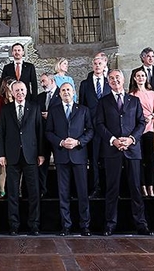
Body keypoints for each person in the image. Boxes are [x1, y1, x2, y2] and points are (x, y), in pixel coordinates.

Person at [94, 69, 151, 236]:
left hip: (132, 150)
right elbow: (99, 124)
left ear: (124, 79)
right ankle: (110, 224)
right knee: (112, 189)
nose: (115, 81)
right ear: (108, 82)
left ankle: (141, 223)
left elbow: (141, 123)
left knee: (136, 188)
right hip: (112, 150)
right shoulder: (103, 101)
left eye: (117, 77)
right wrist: (113, 140)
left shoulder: (134, 100)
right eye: (111, 78)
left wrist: (131, 139)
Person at [45, 82, 94, 236]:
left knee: (82, 192)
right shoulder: (54, 111)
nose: (66, 92)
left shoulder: (83, 110)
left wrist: (78, 142)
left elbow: (90, 130)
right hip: (62, 156)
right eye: (63, 90)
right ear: (59, 94)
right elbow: (48, 132)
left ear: (74, 93)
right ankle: (66, 225)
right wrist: (60, 142)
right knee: (63, 193)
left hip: (79, 155)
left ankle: (84, 225)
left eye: (68, 90)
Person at [0, 81, 44, 235]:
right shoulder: (6, 109)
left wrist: (41, 153)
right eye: (17, 90)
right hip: (12, 156)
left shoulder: (35, 108)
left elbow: (39, 132)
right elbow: (1, 133)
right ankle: (14, 225)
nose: (20, 93)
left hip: (31, 156)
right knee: (12, 193)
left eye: (22, 90)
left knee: (34, 192)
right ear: (12, 92)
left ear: (26, 91)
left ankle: (34, 224)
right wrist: (1, 154)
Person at [79, 52, 109, 197]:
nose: (97, 66)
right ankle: (95, 188)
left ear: (105, 65)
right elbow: (82, 106)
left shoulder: (110, 82)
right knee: (94, 159)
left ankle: (109, 188)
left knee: (108, 159)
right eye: (95, 64)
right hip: (91, 128)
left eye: (100, 64)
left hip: (108, 128)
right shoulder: (85, 84)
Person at [129, 67, 154, 197]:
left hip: (150, 128)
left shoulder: (152, 94)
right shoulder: (131, 95)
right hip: (137, 129)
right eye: (138, 76)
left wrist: (151, 116)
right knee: (139, 159)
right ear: (134, 78)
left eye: (143, 76)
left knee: (150, 159)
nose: (141, 78)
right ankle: (142, 186)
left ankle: (151, 186)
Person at [36, 72, 61, 197]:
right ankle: (43, 190)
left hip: (58, 135)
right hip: (43, 136)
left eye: (44, 81)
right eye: (41, 81)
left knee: (60, 164)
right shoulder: (39, 97)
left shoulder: (62, 94)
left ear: (52, 81)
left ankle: (61, 191)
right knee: (42, 164)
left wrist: (50, 116)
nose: (42, 84)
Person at [0, 77, 16, 198]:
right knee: (3, 164)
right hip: (4, 134)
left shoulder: (18, 98)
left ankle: (17, 189)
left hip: (16, 136)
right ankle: (2, 189)